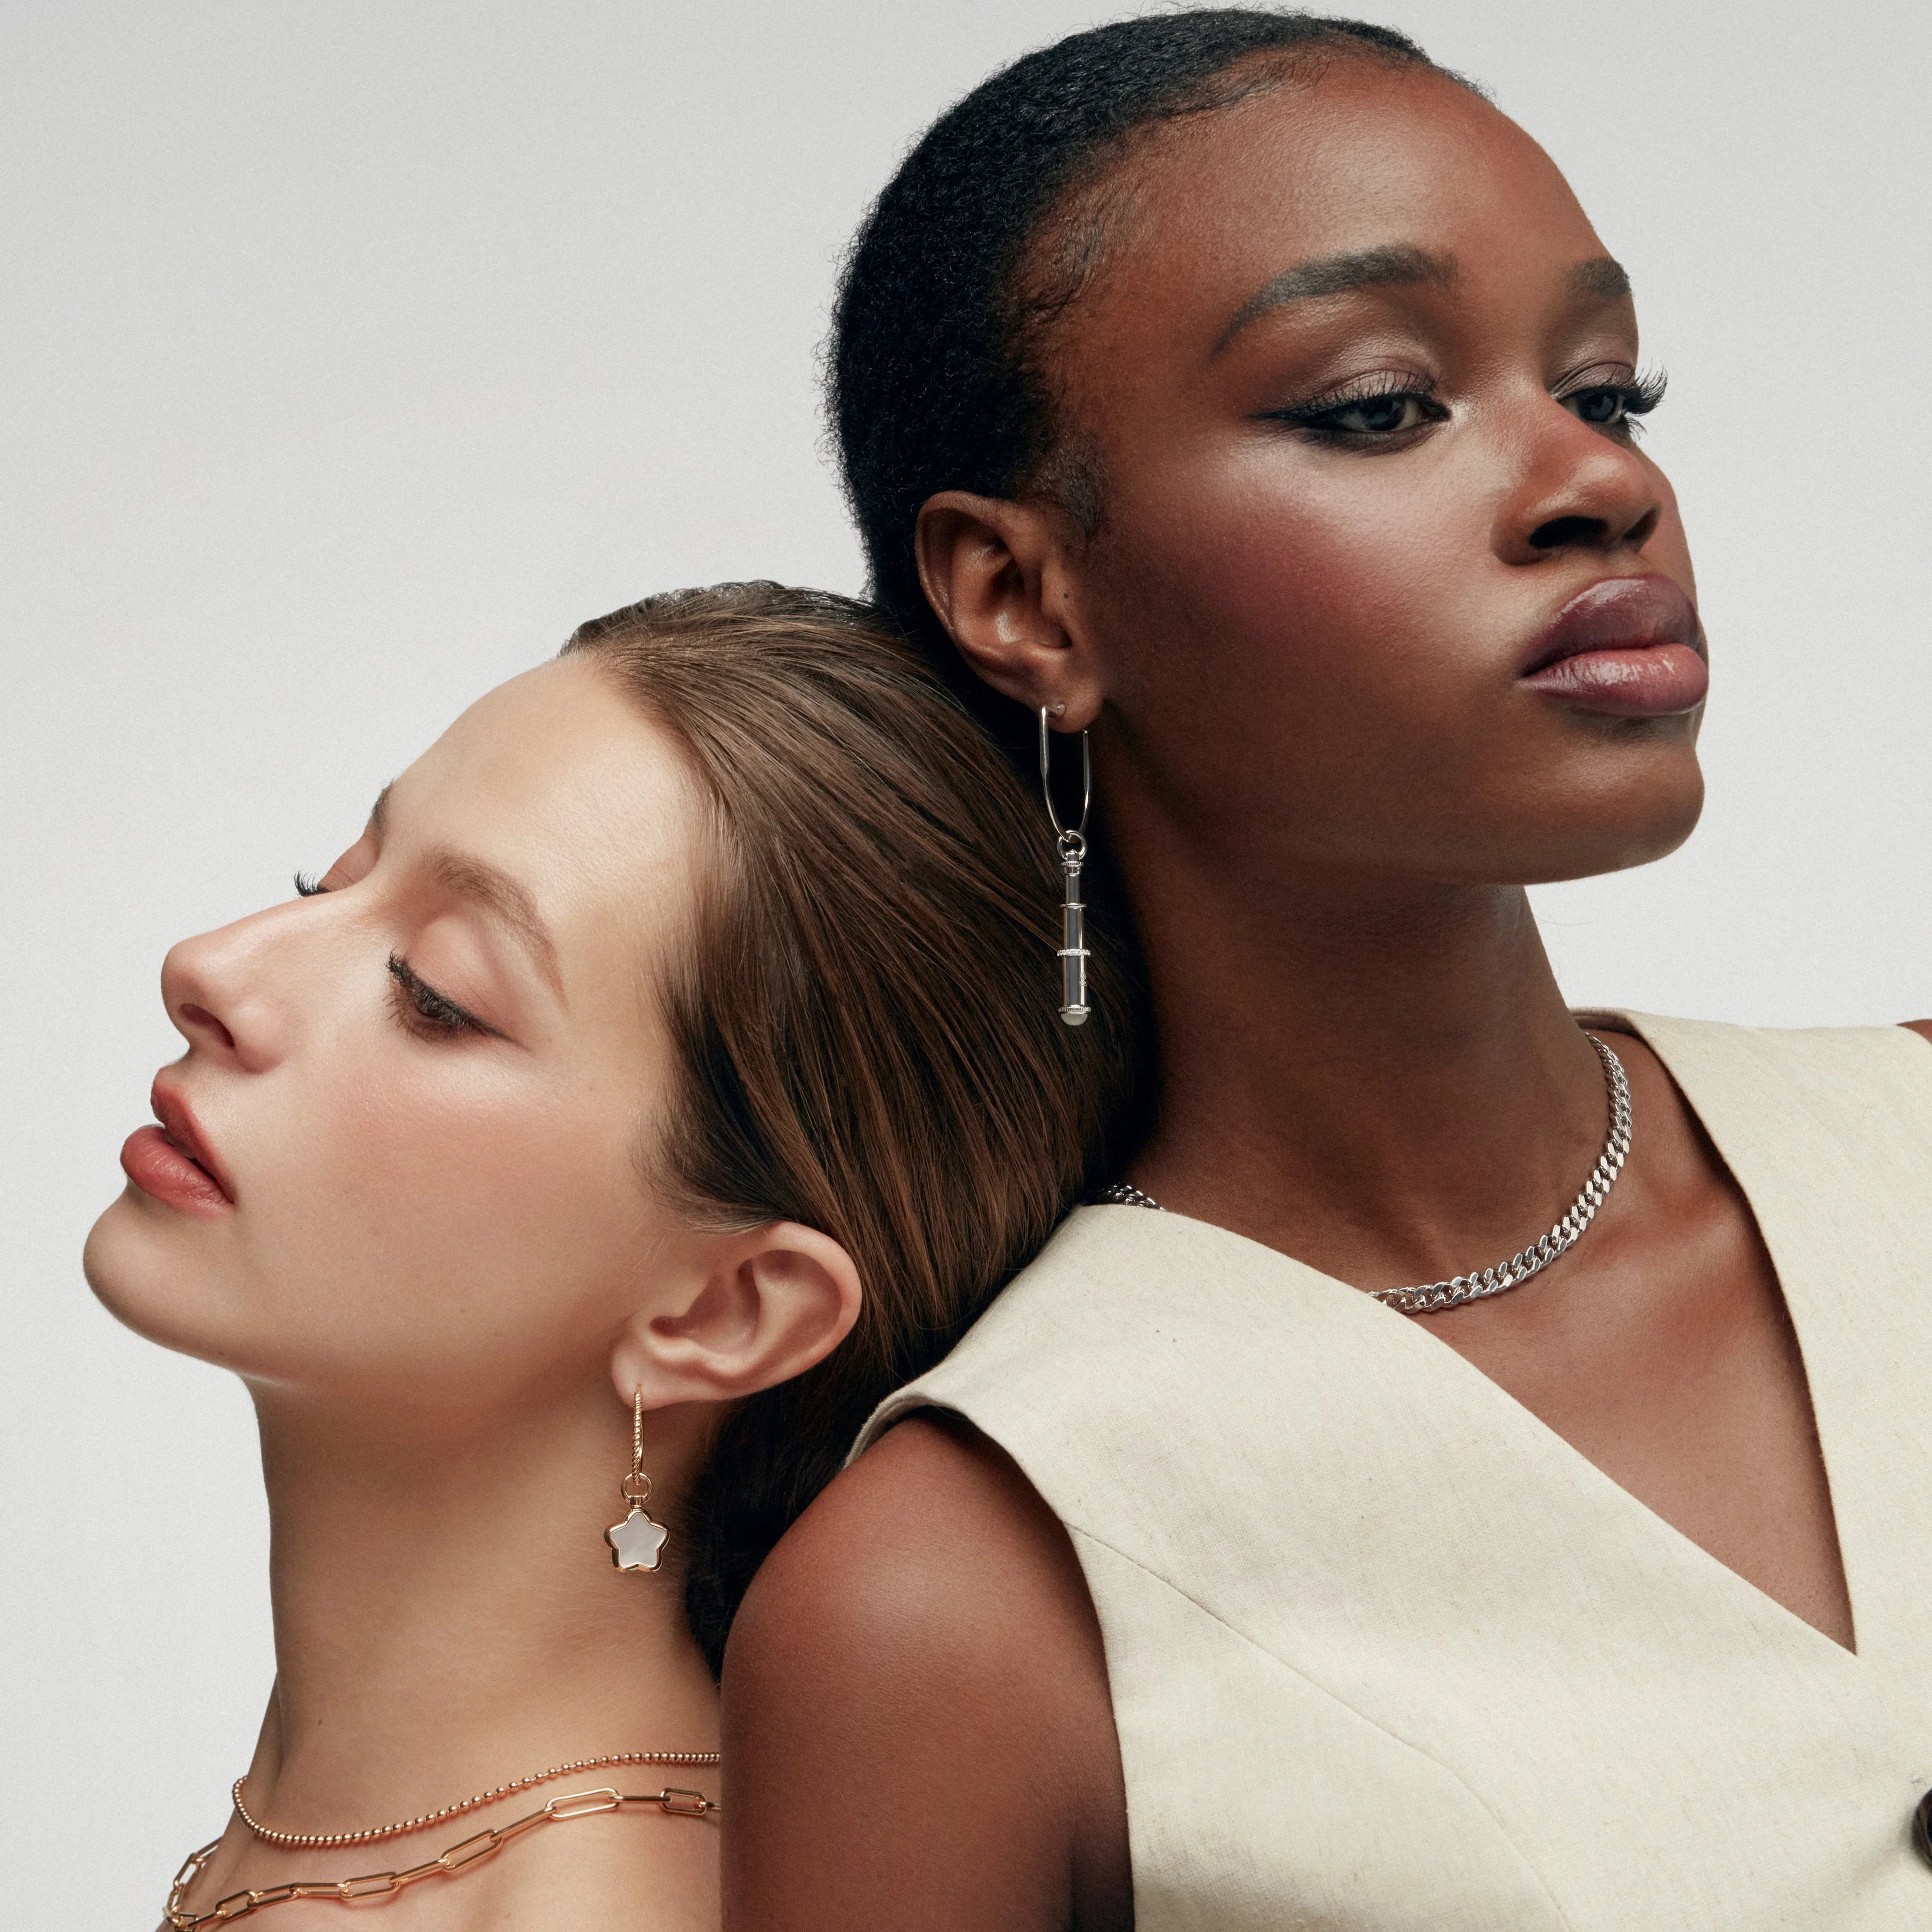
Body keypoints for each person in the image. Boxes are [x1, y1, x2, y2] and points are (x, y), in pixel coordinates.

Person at [722, 14, 1932, 1929]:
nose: (1593, 482)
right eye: (1379, 405)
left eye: (1609, 389)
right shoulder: (958, 1600)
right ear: (1024, 597)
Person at [83, 583, 1135, 1929]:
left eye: (435, 997)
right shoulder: (385, 1838)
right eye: (332, 881)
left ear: (728, 1309)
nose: (212, 968)